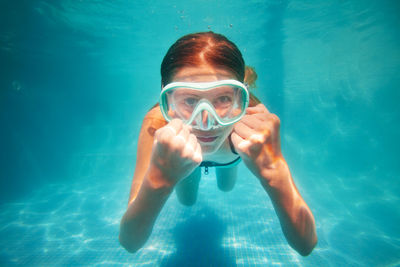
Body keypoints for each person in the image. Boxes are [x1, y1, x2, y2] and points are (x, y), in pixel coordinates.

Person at [119, 31, 317, 256]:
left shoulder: (252, 119)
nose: (206, 122)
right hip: (182, 162)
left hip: (228, 160)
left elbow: (306, 245)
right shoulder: (156, 125)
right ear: (168, 96)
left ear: (240, 96)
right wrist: (160, 179)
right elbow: (129, 242)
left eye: (223, 98)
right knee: (187, 201)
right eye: (190, 100)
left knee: (226, 186)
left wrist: (274, 171)